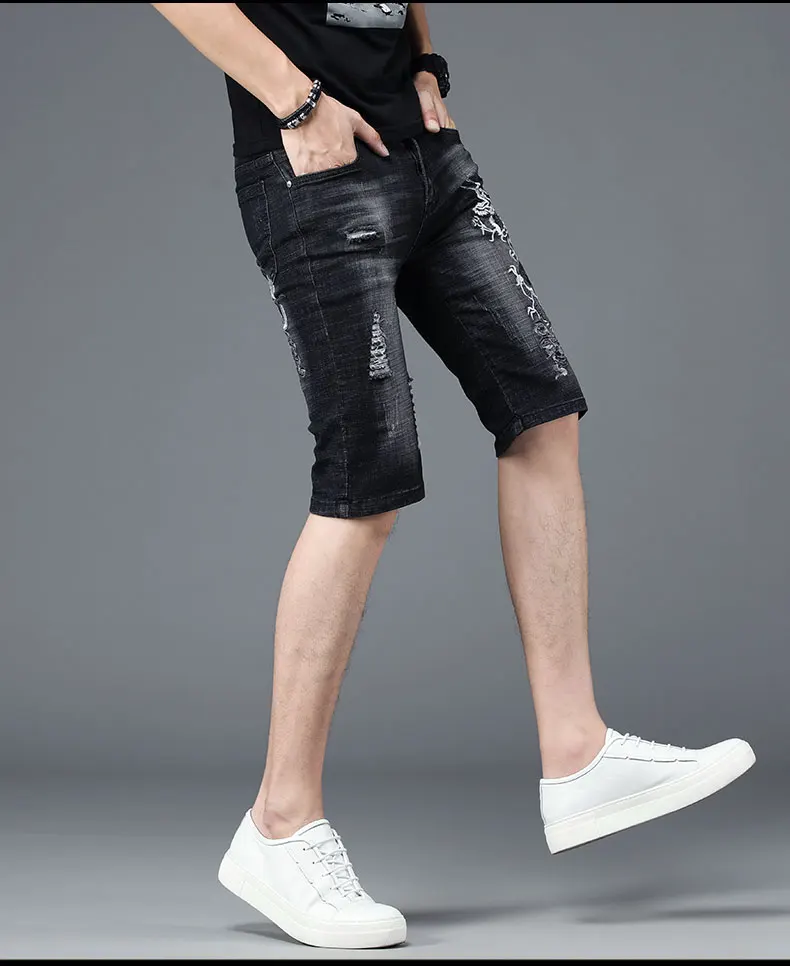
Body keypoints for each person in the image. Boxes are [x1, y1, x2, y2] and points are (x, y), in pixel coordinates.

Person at [150, 2, 755, 950]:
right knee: (367, 475)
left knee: (542, 408)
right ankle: (278, 822)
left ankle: (577, 751)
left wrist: (427, 63)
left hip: (425, 155)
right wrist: (295, 102)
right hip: (315, 167)